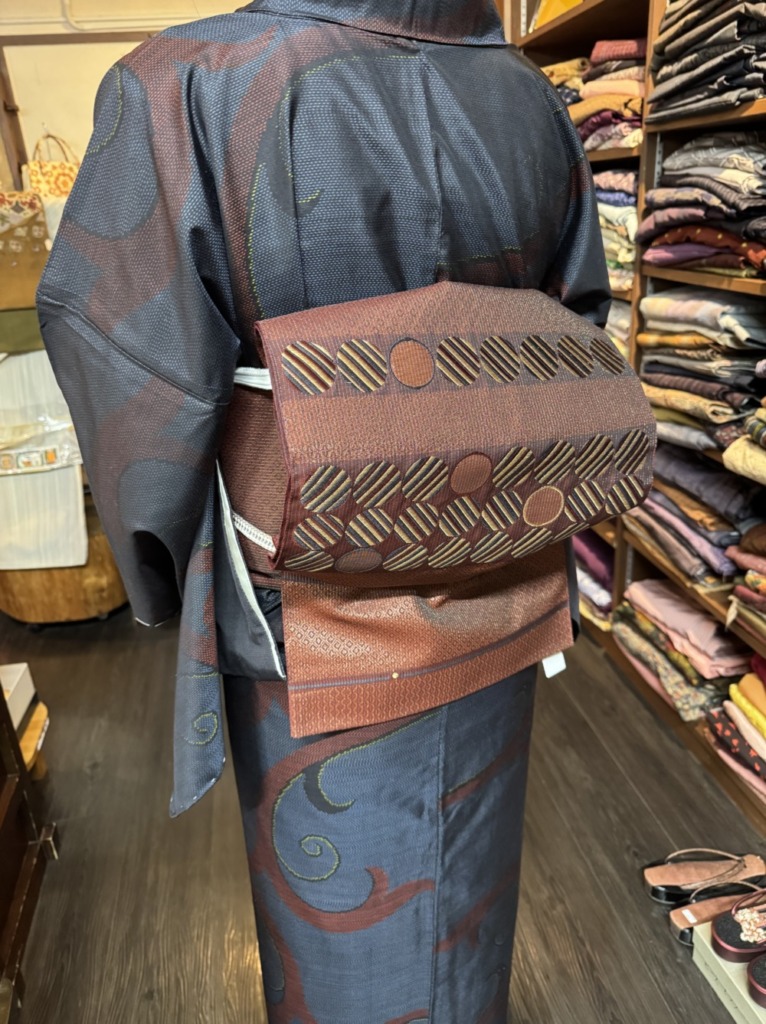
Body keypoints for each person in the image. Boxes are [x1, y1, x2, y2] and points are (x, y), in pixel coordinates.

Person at [38, 1, 610, 1020]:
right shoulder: (530, 96)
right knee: (464, 897)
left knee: (338, 892)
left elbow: (130, 361)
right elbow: (577, 330)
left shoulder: (191, 80)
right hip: (500, 579)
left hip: (307, 607)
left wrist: (161, 569)